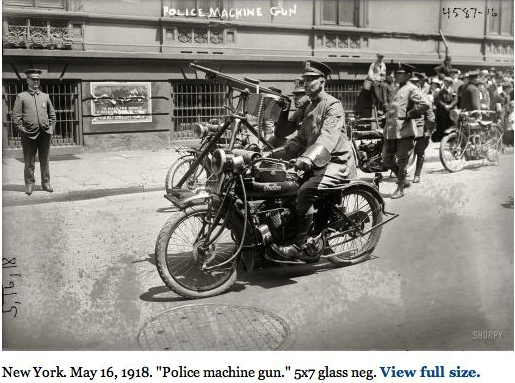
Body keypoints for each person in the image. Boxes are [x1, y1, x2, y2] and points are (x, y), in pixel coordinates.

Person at [266, 60, 356, 260]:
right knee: (285, 186)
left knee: (305, 191)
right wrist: (271, 155)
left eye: (309, 80)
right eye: (304, 80)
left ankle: (298, 246)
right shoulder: (308, 107)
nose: (305, 84)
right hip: (316, 162)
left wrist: (307, 159)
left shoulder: (333, 105)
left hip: (336, 162)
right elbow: (297, 139)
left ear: (322, 81)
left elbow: (328, 137)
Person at [382, 65, 430, 199]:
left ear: (408, 75)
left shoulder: (412, 88)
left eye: (401, 73)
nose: (398, 75)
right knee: (386, 159)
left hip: (404, 131)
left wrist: (411, 114)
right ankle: (404, 180)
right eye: (397, 73)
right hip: (391, 131)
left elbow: (425, 104)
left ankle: (400, 188)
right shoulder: (397, 89)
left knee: (402, 160)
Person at [11, 69, 56, 195]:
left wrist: (51, 128)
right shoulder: (21, 96)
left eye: (37, 79)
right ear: (27, 80)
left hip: (45, 134)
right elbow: (16, 116)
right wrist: (21, 130)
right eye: (33, 79)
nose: (36, 81)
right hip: (28, 134)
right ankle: (30, 185)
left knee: (45, 160)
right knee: (29, 161)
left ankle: (46, 183)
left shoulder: (45, 96)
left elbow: (52, 114)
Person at [267, 80, 309, 148]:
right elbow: (280, 134)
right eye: (294, 95)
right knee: (273, 140)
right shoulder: (299, 112)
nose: (294, 98)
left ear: (309, 95)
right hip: (300, 146)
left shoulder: (315, 110)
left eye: (298, 95)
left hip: (310, 149)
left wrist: (289, 143)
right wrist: (284, 109)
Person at [409, 75, 435, 184]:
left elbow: (430, 116)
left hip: (421, 130)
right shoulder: (407, 97)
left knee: (420, 152)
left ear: (419, 85)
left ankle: (417, 175)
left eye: (415, 84)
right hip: (408, 129)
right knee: (404, 153)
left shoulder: (425, 97)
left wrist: (428, 131)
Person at [433, 77, 457, 142]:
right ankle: (445, 138)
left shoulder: (453, 91)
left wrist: (450, 105)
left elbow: (455, 100)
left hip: (452, 111)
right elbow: (439, 100)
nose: (445, 84)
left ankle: (452, 138)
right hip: (444, 110)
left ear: (450, 83)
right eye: (445, 82)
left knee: (452, 124)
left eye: (447, 82)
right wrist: (445, 106)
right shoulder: (442, 91)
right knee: (444, 123)